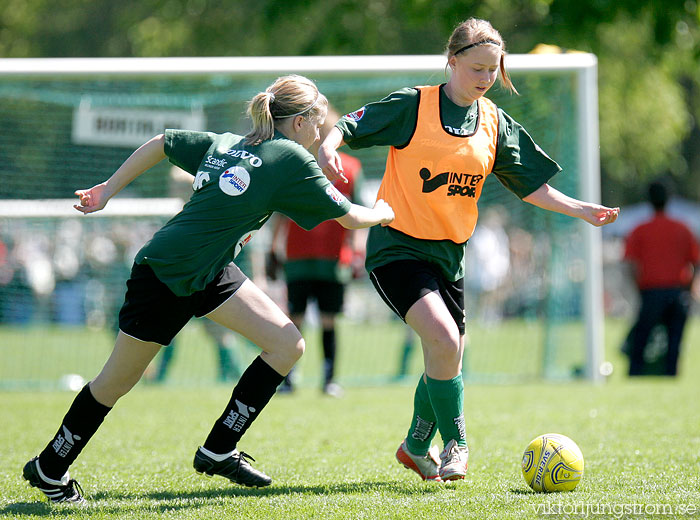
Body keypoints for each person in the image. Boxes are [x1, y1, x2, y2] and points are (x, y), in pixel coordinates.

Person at [22, 74, 394, 504]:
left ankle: (218, 449)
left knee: (286, 344)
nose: (321, 129)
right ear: (299, 121)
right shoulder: (290, 157)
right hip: (167, 272)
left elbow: (163, 141)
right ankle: (50, 468)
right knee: (114, 383)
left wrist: (108, 190)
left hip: (212, 270)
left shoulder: (228, 143)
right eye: (317, 120)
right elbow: (349, 216)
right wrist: (382, 212)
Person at [318, 18, 619, 483]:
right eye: (476, 68)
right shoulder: (414, 106)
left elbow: (529, 185)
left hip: (449, 257)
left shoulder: (494, 122)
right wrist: (330, 145)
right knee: (443, 338)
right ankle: (456, 443)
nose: (484, 78)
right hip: (396, 247)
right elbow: (348, 124)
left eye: (492, 71)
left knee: (448, 351)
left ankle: (416, 445)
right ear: (452, 61)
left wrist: (580, 209)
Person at [268, 110, 365, 397]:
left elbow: (358, 213)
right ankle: (288, 378)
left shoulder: (352, 169)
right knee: (293, 319)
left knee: (328, 320)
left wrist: (357, 250)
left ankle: (329, 379)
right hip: (297, 257)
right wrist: (273, 250)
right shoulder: (295, 166)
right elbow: (280, 213)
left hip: (334, 260)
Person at [623, 180, 698, 376]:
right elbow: (695, 262)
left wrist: (638, 289)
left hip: (650, 292)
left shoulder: (640, 229)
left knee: (641, 338)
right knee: (674, 341)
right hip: (677, 291)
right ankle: (670, 374)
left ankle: (636, 373)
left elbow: (631, 265)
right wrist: (689, 288)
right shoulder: (683, 228)